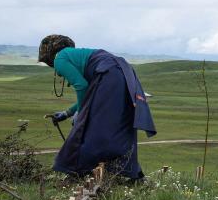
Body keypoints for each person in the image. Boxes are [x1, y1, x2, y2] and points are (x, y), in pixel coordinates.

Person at [38, 35, 156, 180]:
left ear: (49, 53)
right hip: (123, 71)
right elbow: (90, 93)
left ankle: (78, 172)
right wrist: (67, 113)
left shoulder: (60, 59)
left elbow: (81, 86)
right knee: (119, 126)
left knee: (92, 127)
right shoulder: (79, 56)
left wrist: (81, 116)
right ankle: (134, 175)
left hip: (109, 72)